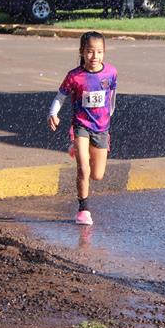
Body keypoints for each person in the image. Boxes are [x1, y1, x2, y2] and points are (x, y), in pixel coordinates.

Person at [48, 31, 118, 225]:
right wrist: (52, 113)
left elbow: (112, 97)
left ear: (104, 53)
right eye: (89, 52)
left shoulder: (111, 72)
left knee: (98, 175)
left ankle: (77, 149)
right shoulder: (75, 76)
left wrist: (108, 116)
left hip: (102, 128)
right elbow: (60, 96)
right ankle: (83, 209)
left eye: (99, 52)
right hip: (80, 126)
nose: (94, 57)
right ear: (81, 52)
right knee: (84, 169)